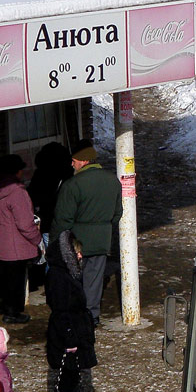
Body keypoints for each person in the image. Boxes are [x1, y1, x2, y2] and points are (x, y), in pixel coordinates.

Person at [51, 140, 121, 326]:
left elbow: (62, 219)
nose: (71, 164)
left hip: (76, 241)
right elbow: (117, 214)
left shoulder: (72, 185)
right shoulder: (112, 180)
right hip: (101, 240)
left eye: (73, 160)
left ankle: (74, 314)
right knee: (94, 280)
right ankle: (91, 315)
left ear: (82, 161)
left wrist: (56, 243)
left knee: (73, 280)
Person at [45, 231, 98, 392]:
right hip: (68, 336)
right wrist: (70, 339)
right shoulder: (58, 277)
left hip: (74, 332)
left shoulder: (65, 274)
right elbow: (61, 311)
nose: (80, 256)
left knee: (74, 380)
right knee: (66, 382)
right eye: (77, 253)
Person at [0, 153, 42, 324]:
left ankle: (0, 306)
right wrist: (37, 239)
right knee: (16, 279)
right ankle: (12, 312)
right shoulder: (17, 192)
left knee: (4, 276)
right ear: (17, 171)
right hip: (16, 243)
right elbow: (24, 223)